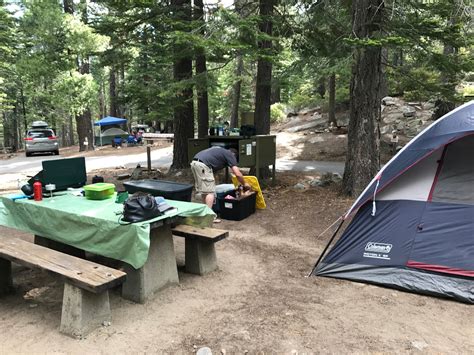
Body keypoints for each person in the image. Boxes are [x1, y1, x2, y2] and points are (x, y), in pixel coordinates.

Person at [190, 146, 251, 214]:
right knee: (210, 192)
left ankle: (205, 213)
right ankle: (209, 216)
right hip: (203, 165)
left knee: (205, 191)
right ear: (234, 155)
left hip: (194, 163)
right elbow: (237, 174)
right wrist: (244, 183)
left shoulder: (221, 151)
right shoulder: (230, 155)